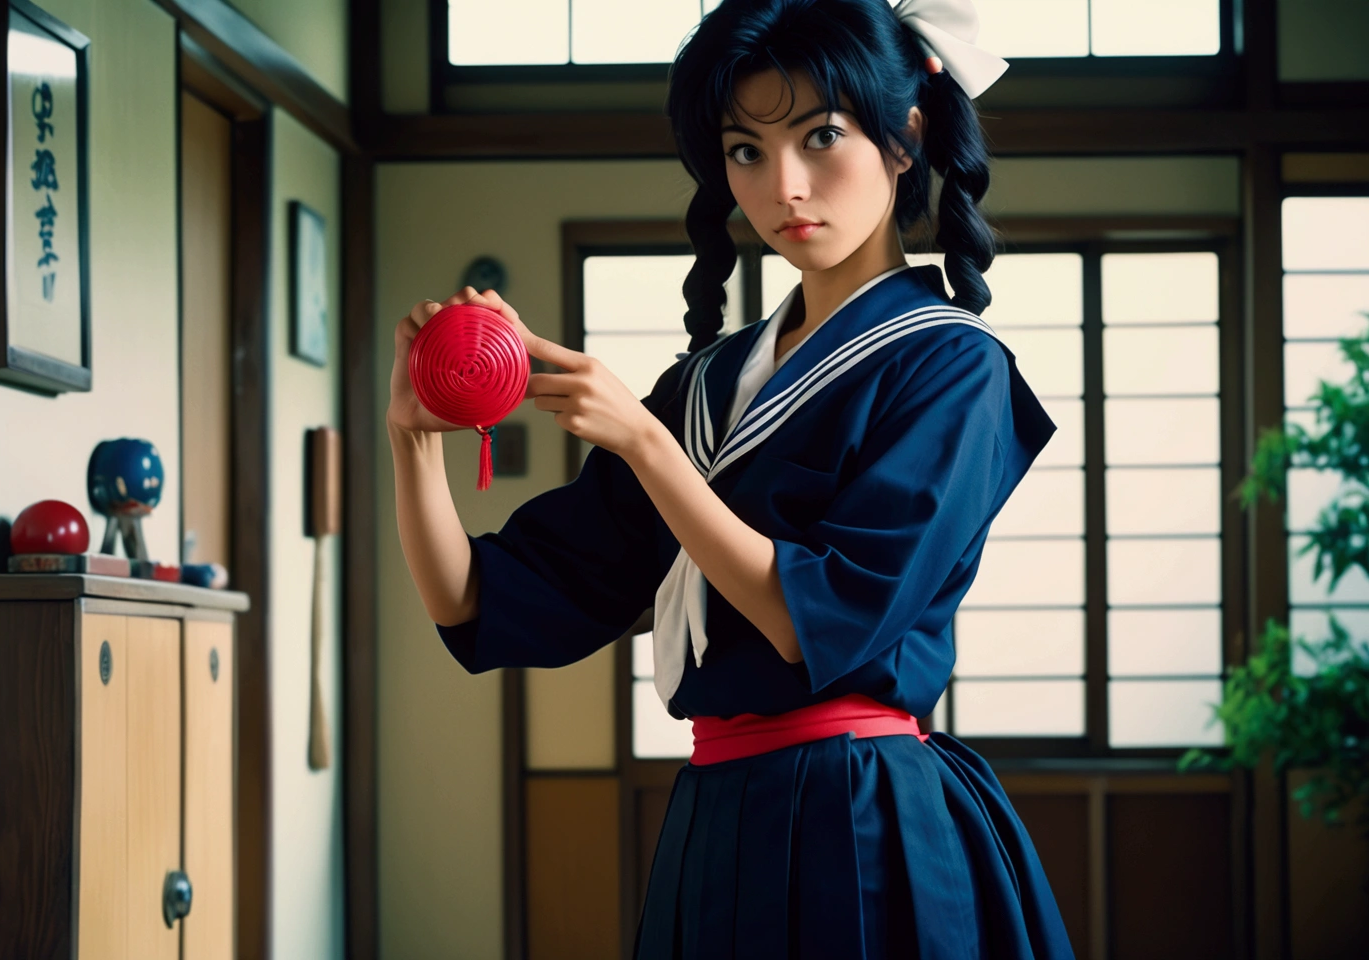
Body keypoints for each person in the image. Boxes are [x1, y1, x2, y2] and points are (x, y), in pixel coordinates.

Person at [387, 1, 1076, 956]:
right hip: (715, 810)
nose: (784, 184)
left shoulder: (954, 369)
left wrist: (645, 444)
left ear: (907, 136)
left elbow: (814, 618)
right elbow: (477, 602)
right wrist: (413, 441)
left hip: (863, 811)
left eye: (822, 136)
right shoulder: (703, 387)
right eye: (745, 150)